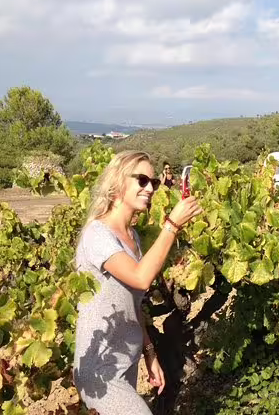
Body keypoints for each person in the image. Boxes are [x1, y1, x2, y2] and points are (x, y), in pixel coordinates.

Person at [73, 150, 202, 415]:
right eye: (142, 180)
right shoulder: (98, 234)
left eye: (153, 183)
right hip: (100, 366)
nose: (150, 188)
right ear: (118, 181)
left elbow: (134, 304)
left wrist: (149, 352)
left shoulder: (132, 237)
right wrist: (172, 225)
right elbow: (141, 279)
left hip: (125, 360)